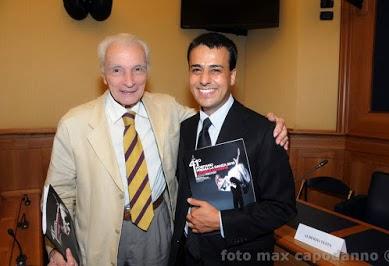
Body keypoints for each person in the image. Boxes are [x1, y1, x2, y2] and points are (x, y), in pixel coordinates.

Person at [44, 33, 288, 266]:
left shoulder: (167, 109)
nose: (129, 81)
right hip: (99, 235)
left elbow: (219, 117)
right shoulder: (73, 124)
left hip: (158, 229)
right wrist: (55, 248)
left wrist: (271, 127)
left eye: (138, 69)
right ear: (104, 75)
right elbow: (58, 194)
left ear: (147, 72)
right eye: (117, 70)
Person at [169, 32, 296, 266]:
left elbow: (282, 207)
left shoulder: (263, 132)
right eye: (196, 69)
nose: (204, 79)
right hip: (186, 256)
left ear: (233, 76)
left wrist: (221, 220)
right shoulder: (185, 129)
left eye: (215, 70)